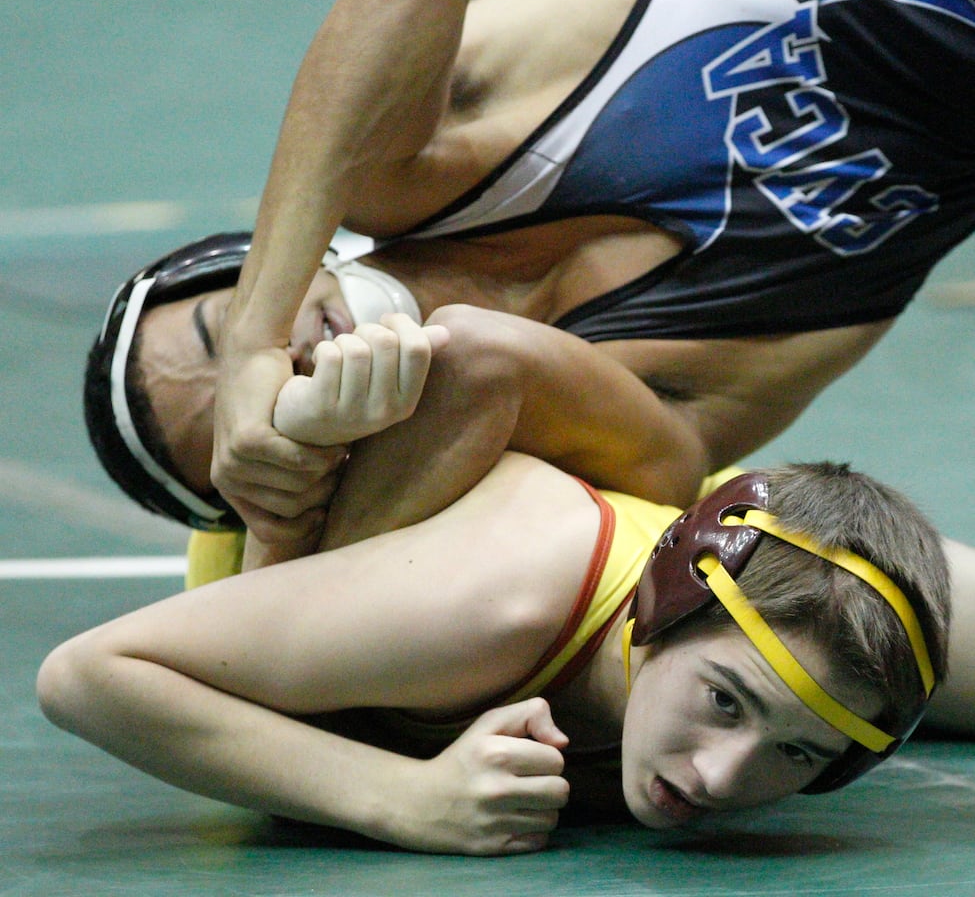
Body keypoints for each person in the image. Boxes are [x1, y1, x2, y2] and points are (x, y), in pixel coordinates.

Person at [86, 0, 975, 551]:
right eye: (263, 432)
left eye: (214, 328)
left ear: (239, 267)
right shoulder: (603, 403)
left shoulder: (409, 173)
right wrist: (306, 520)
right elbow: (661, 467)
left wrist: (251, 343)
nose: (291, 363)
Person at [36, 449, 951, 855]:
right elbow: (89, 676)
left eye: (796, 753)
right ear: (663, 606)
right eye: (723, 702)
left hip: (751, 530)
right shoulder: (498, 601)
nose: (719, 777)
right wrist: (403, 799)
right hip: (309, 586)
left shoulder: (753, 638)